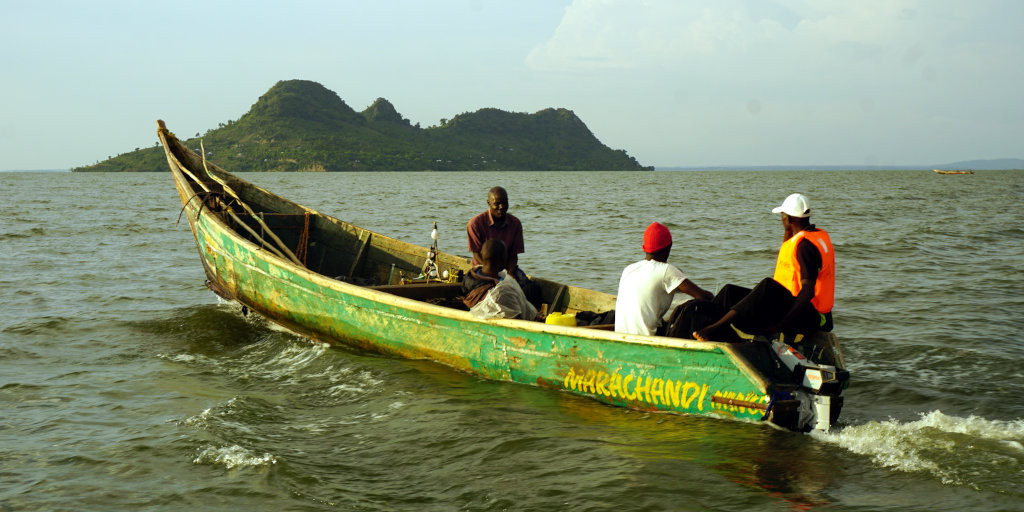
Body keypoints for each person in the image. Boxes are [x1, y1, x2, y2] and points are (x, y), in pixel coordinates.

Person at [694, 193, 835, 342]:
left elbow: (807, 291)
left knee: (767, 286)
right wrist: (788, 229)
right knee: (730, 292)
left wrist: (780, 326)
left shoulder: (805, 246)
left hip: (811, 316)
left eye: (783, 215)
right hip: (797, 306)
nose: (782, 218)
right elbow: (788, 247)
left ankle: (714, 329)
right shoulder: (811, 236)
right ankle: (707, 327)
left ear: (790, 218)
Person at [615, 222, 713, 336]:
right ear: (669, 247)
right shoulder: (667, 271)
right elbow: (703, 296)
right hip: (648, 337)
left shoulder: (629, 269)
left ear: (644, 248)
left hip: (621, 335)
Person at [466, 186, 541, 307]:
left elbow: (513, 255)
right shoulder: (475, 224)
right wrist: (494, 277)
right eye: (497, 204)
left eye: (505, 203)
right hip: (484, 270)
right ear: (488, 203)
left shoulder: (515, 223)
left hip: (507, 268)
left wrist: (509, 276)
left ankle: (532, 317)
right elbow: (477, 255)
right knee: (485, 295)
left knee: (532, 290)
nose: (501, 207)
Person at [464, 239, 538, 321]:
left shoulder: (471, 275)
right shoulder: (501, 292)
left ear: (481, 256)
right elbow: (518, 321)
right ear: (503, 259)